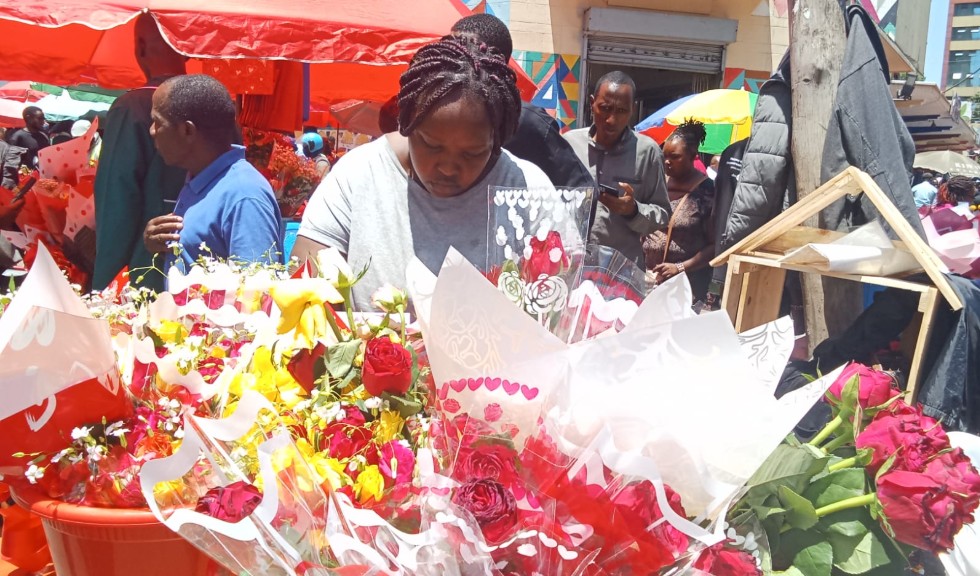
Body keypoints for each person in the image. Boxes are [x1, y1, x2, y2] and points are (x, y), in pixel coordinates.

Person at [292, 35, 552, 310]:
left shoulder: (528, 192)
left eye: (472, 153)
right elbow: (304, 280)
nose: (448, 167)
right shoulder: (357, 175)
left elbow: (560, 304)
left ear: (497, 141)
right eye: (431, 145)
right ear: (405, 125)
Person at [142, 75, 283, 275]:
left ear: (187, 131)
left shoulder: (244, 195)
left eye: (157, 122)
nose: (152, 131)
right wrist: (161, 244)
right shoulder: (201, 180)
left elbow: (256, 292)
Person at [92, 12, 188, 291]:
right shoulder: (213, 107)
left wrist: (103, 286)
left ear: (141, 47)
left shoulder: (133, 108)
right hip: (199, 268)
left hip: (146, 268)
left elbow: (116, 202)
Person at [450, 14, 595, 194]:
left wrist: (539, 218)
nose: (452, 59)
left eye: (463, 52)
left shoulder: (528, 123)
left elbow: (582, 192)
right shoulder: (430, 112)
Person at [564, 71, 671, 266]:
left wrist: (633, 210)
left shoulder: (647, 152)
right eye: (605, 108)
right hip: (570, 265)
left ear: (632, 110)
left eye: (621, 111)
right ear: (591, 103)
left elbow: (663, 214)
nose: (611, 120)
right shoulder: (569, 144)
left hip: (620, 272)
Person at [642, 121, 715, 302]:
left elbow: (715, 246)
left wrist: (680, 267)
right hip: (648, 281)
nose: (667, 162)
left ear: (692, 156)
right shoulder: (659, 184)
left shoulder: (707, 192)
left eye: (675, 157)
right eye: (665, 156)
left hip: (685, 286)